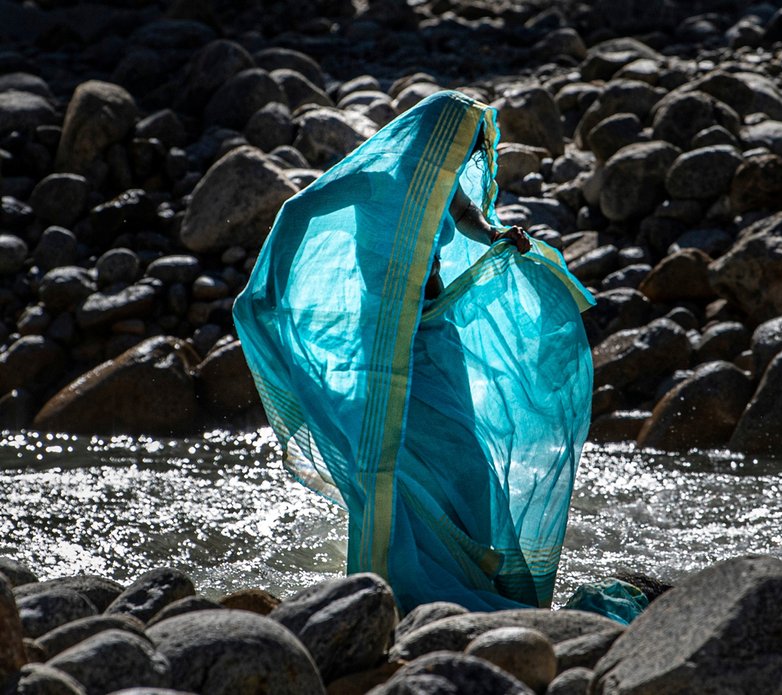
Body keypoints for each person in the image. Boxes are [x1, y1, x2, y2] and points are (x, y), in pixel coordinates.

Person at [233, 90, 606, 615]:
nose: (473, 157)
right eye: (468, 145)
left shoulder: (441, 185)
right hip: (388, 345)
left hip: (437, 336)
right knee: (394, 459)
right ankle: (398, 582)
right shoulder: (377, 182)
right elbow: (299, 211)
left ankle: (454, 570)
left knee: (465, 465)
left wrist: (500, 234)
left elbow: (469, 217)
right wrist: (268, 287)